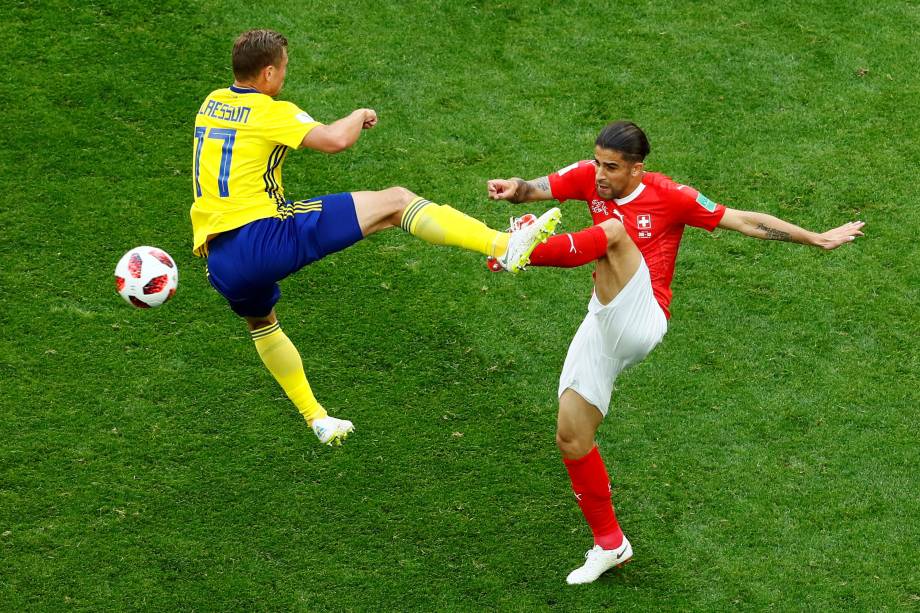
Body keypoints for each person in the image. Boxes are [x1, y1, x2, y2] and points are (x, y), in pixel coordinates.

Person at [486, 120, 865, 584]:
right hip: (603, 319)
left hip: (644, 315)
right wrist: (514, 188)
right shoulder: (589, 174)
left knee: (612, 232)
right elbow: (535, 189)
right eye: (597, 162)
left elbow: (742, 219)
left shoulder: (671, 195)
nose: (600, 175)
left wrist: (815, 237)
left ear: (637, 169)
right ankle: (611, 544)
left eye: (612, 167)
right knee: (571, 435)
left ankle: (524, 252)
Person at [191, 29, 561, 446]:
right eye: (285, 68)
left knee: (262, 322)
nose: (285, 77)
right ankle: (503, 246)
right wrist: (359, 113)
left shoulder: (212, 103)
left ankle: (318, 419)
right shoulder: (268, 111)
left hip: (219, 260)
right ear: (269, 72)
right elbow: (335, 140)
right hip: (263, 236)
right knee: (397, 203)